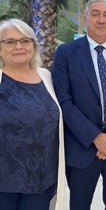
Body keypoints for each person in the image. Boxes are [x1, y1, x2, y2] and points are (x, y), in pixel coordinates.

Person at [51, 0, 106, 210]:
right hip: (82, 148)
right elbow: (64, 100)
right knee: (79, 205)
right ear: (85, 18)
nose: (101, 19)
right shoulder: (65, 53)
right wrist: (96, 137)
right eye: (95, 14)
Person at [0, 18, 65, 210]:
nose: (18, 46)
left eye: (25, 40)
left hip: (41, 179)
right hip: (4, 181)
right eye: (10, 41)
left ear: (34, 46)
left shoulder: (46, 77)